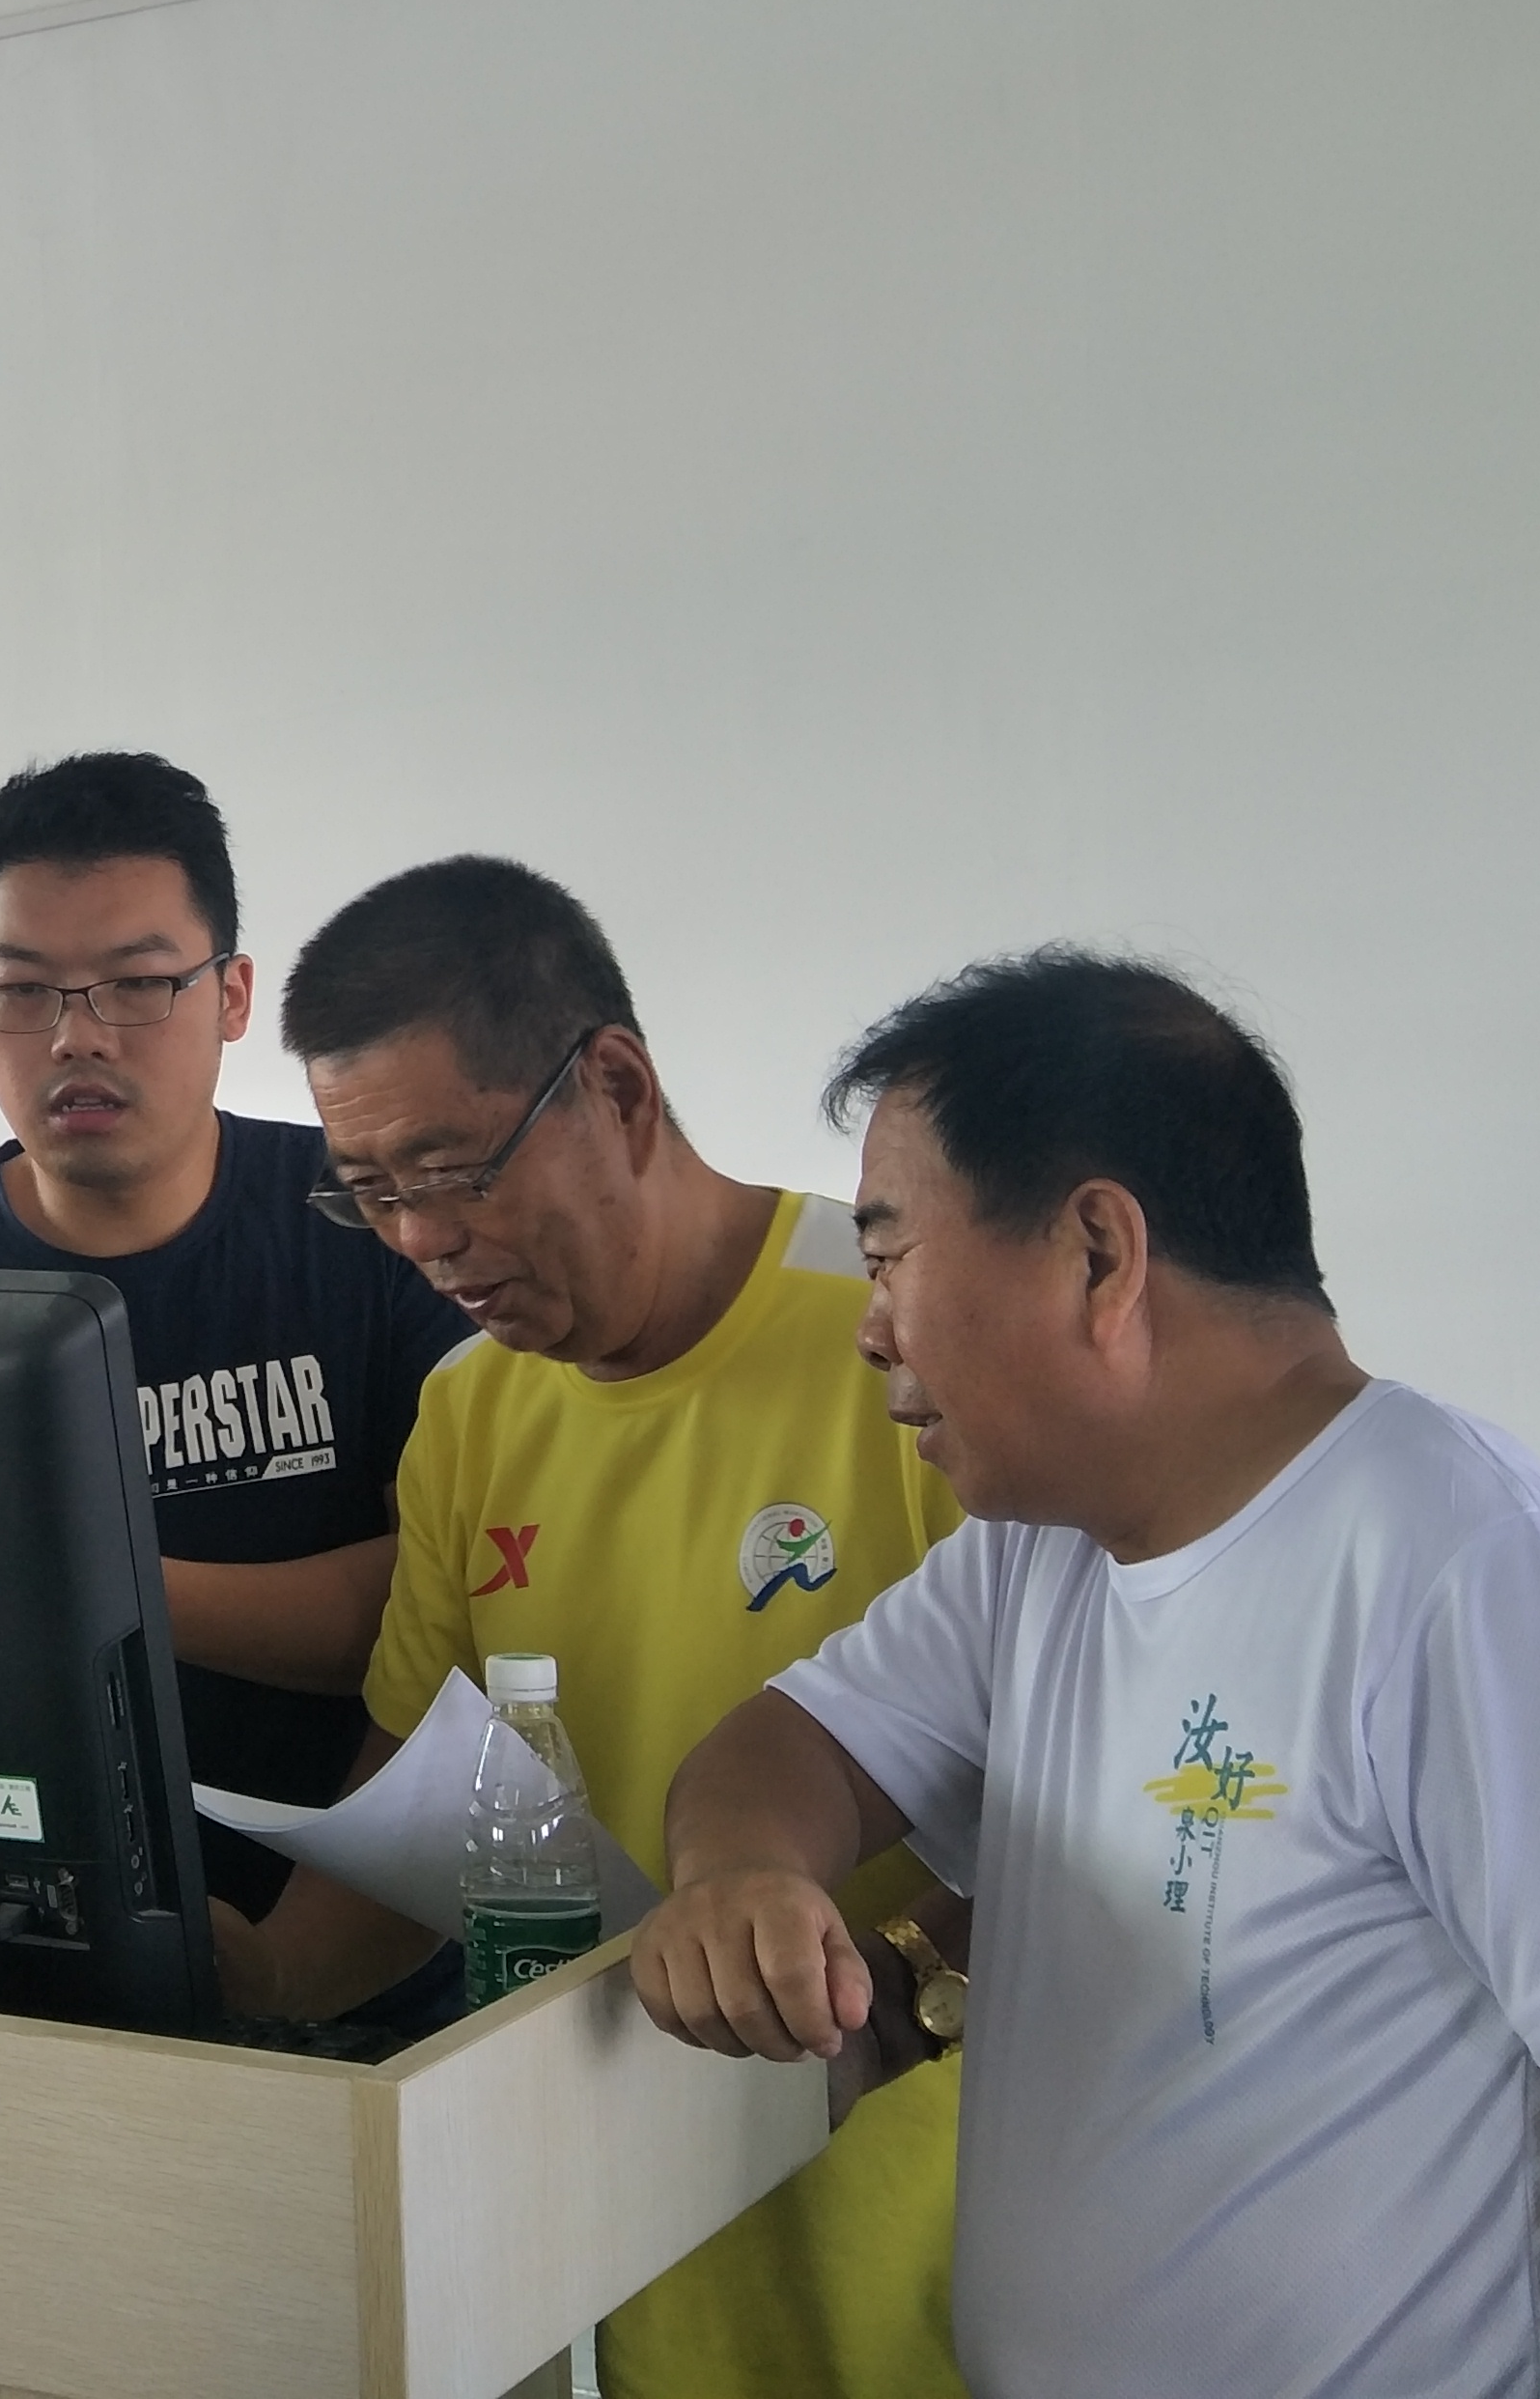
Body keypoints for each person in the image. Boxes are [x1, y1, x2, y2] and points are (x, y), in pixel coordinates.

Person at [635, 951, 1540, 2399]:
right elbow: (783, 1750)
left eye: (891, 1254)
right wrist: (742, 1873)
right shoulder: (1038, 1558)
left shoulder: (1470, 1575)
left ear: (1100, 1254)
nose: (870, 1325)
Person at [231, 857, 966, 2399]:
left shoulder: (903, 1344)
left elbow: (1106, 1819)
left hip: (933, 2256)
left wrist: (884, 1983)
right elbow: (423, 1840)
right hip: (644, 2274)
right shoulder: (468, 1416)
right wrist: (226, 1979)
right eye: (372, 1193)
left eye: (451, 1171)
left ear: (617, 1090)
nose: (418, 1239)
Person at [0, 754, 464, 1925]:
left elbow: (456, 1604)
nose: (76, 1037)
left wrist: (77, 1584)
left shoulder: (381, 1226)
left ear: (234, 996)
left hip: (355, 1932)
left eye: (138, 985)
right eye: (24, 990)